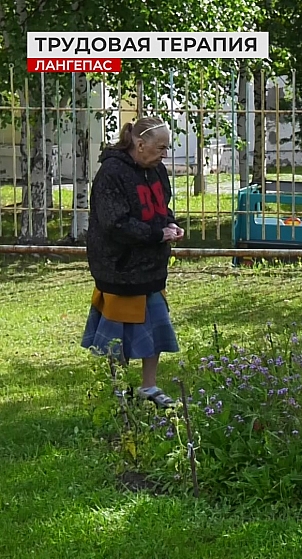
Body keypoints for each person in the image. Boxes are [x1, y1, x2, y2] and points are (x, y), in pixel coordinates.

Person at [81, 116, 184, 408]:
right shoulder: (111, 173)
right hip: (119, 267)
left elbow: (161, 208)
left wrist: (171, 225)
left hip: (151, 266)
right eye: (161, 147)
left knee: (156, 327)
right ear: (140, 145)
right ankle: (117, 390)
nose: (165, 154)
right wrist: (156, 233)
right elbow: (115, 223)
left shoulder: (156, 170)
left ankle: (148, 387)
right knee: (118, 336)